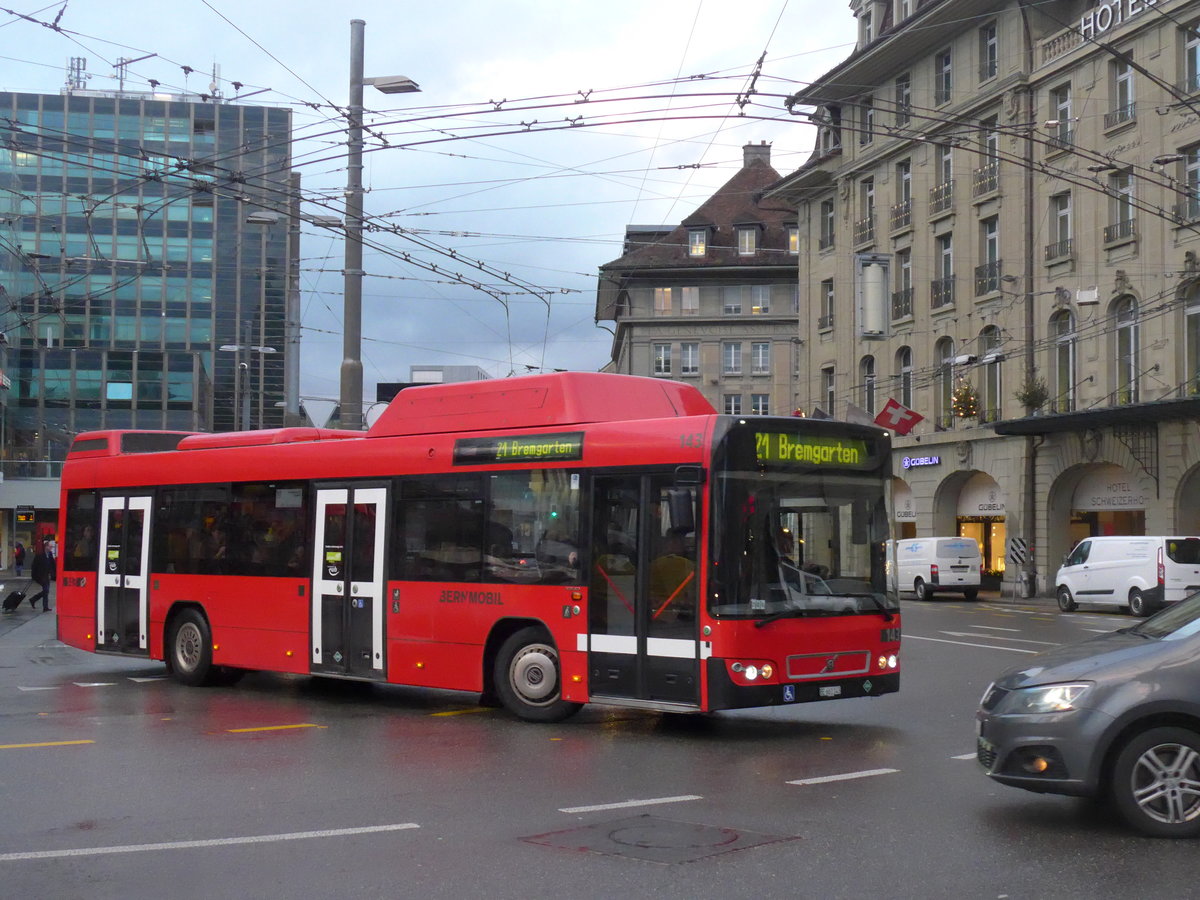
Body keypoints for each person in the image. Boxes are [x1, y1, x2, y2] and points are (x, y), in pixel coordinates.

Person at [28, 545, 55, 612]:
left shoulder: (50, 554)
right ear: (46, 547)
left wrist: (53, 574)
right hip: (40, 576)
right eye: (50, 546)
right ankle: (42, 605)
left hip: (47, 576)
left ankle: (35, 600)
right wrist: (33, 576)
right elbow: (34, 566)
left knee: (46, 591)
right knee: (46, 590)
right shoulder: (40, 555)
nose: (51, 547)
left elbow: (53, 565)